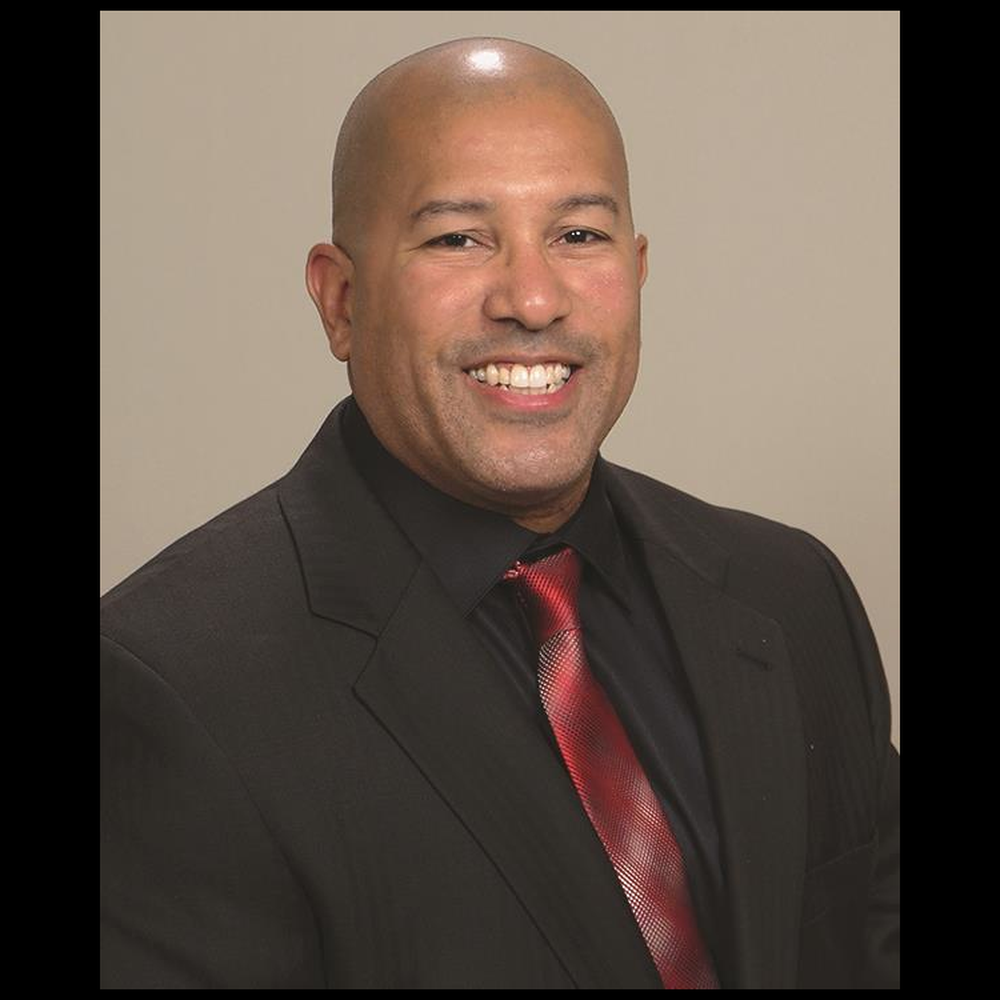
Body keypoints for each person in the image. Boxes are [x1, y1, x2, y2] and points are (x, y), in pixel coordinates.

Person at [100, 36, 899, 989]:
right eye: (458, 239)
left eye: (579, 235)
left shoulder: (793, 594)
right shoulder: (172, 686)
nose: (533, 298)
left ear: (638, 268)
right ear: (341, 300)